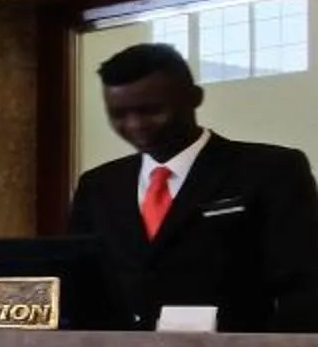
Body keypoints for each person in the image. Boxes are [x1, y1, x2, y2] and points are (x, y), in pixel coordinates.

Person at [65, 40, 318, 331]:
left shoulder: (270, 169)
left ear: (194, 98)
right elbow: (80, 283)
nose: (135, 125)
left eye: (150, 111)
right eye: (119, 115)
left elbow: (303, 286)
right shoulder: (98, 185)